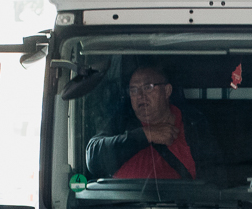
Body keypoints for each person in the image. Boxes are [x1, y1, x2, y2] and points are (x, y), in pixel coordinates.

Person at [84, 64, 220, 180]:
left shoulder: (194, 124)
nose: (140, 95)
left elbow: (215, 181)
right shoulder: (121, 122)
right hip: (123, 203)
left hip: (180, 202)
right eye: (134, 90)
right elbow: (93, 159)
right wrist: (146, 135)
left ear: (167, 90)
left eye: (148, 87)